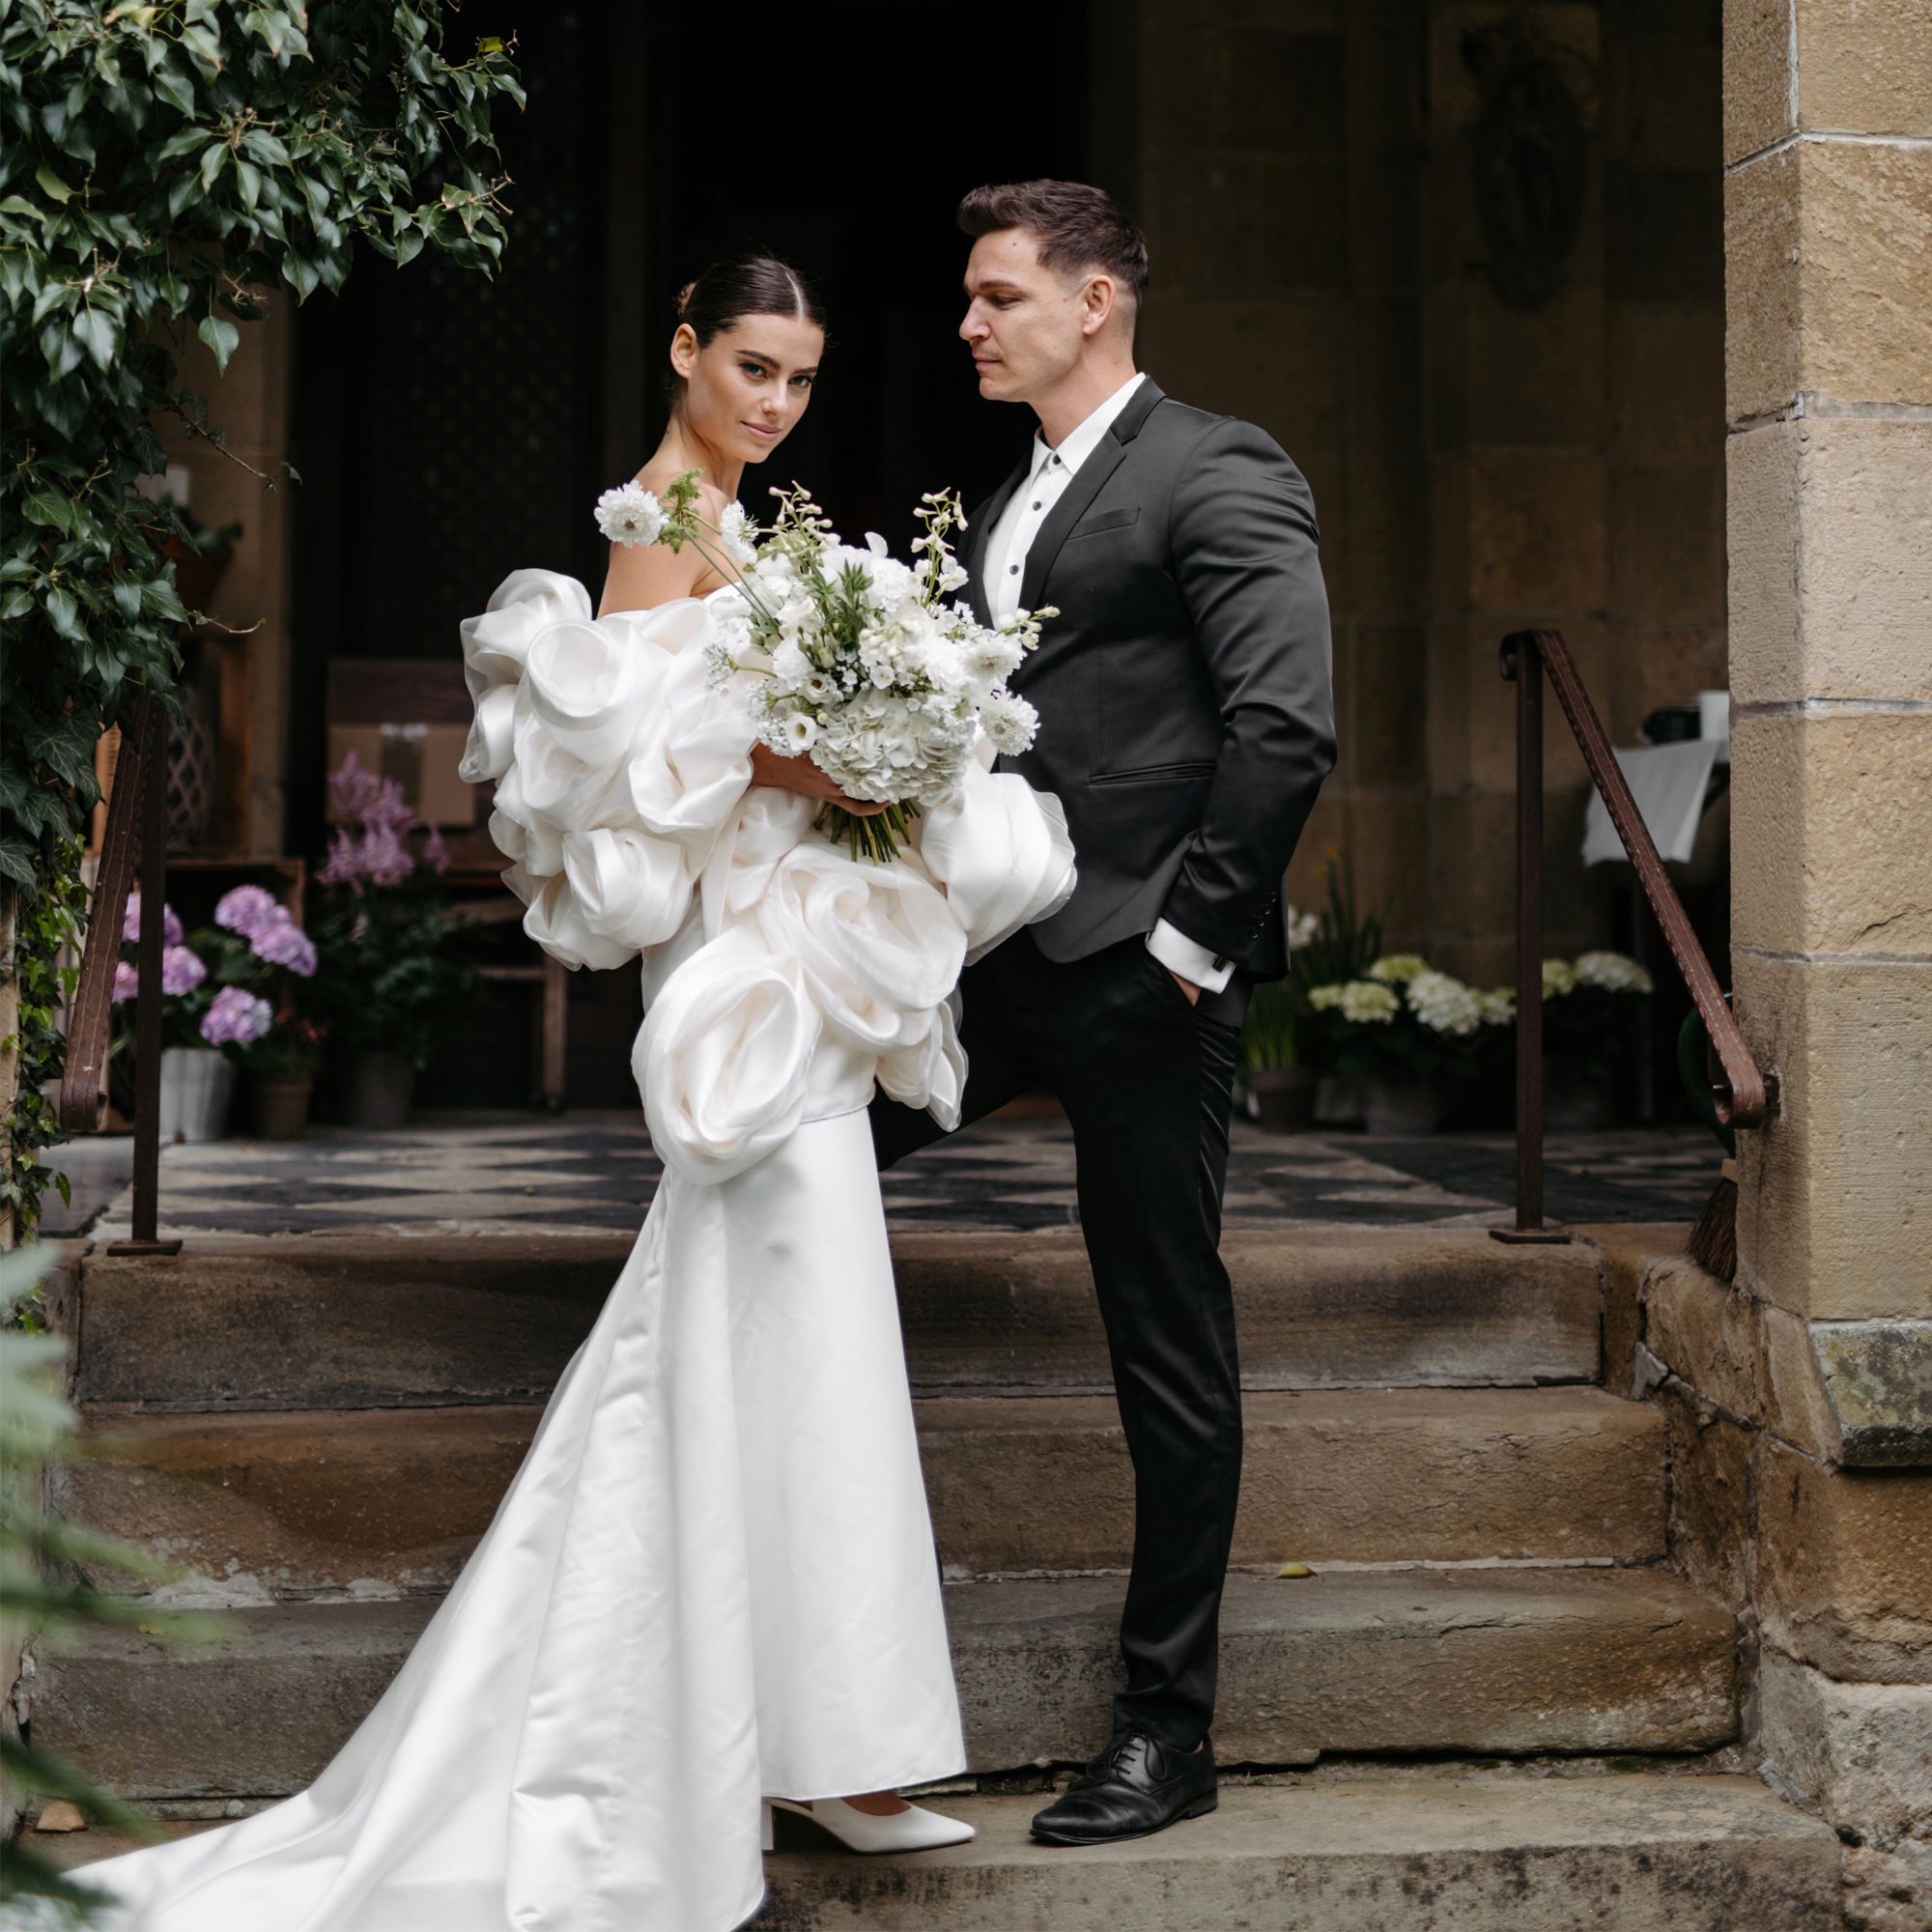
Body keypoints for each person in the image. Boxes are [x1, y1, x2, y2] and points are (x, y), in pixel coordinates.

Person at [36, 253, 1075, 1932]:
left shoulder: (749, 526)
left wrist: (883, 747)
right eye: (752, 365)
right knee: (776, 1277)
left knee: (798, 1300)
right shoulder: (659, 520)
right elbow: (645, 772)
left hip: (798, 938)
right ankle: (770, 1742)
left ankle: (826, 1738)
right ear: (684, 347)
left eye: (801, 379)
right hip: (741, 961)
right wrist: (832, 755)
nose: (776, 402)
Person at [871, 181, 1336, 1849]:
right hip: (990, 962)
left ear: (1096, 301)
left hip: (1144, 972)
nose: (971, 324)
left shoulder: (1218, 466)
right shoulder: (1010, 496)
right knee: (793, 1150)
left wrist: (1186, 955)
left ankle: (1165, 1732)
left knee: (1165, 1338)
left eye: (1000, 296)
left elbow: (1285, 727)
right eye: (971, 296)